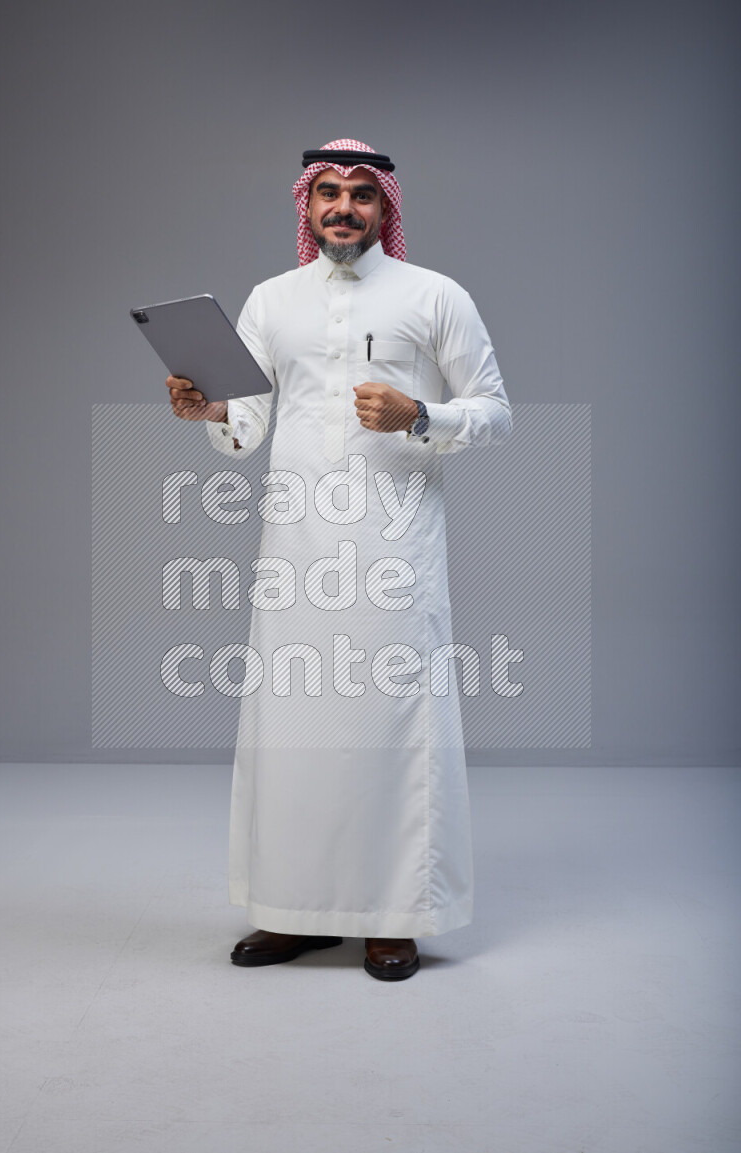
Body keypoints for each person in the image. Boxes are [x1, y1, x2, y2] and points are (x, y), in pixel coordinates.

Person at [166, 138, 512, 981]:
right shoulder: (271, 300)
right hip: (295, 546)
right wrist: (207, 406)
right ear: (305, 204)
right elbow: (242, 430)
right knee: (295, 730)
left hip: (395, 548)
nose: (344, 207)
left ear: (385, 206)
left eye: (362, 193)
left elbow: (496, 413)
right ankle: (293, 912)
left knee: (390, 727)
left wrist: (420, 412)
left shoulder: (435, 296)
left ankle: (394, 917)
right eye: (329, 192)